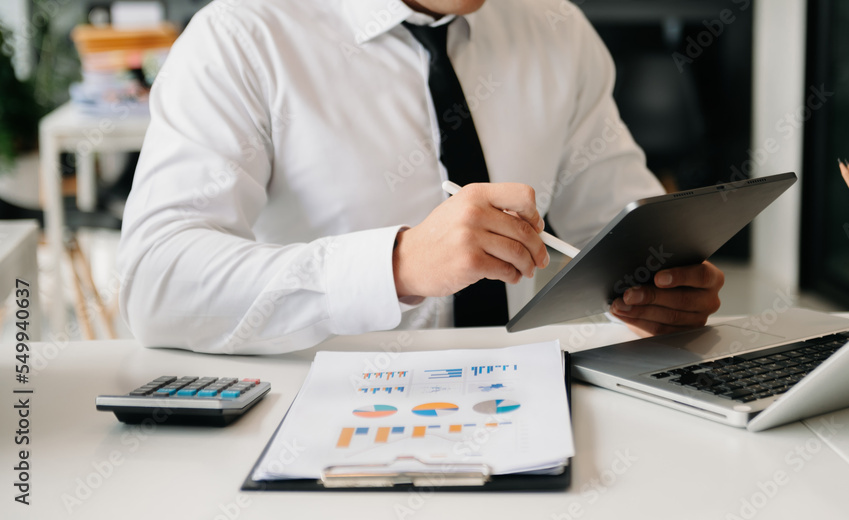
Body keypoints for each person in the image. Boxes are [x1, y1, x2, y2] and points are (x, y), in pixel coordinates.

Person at [117, 0, 724, 355]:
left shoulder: (556, 26)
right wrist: (396, 264)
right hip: (321, 425)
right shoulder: (241, 36)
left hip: (530, 404)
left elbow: (622, 224)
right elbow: (156, 283)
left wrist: (664, 282)